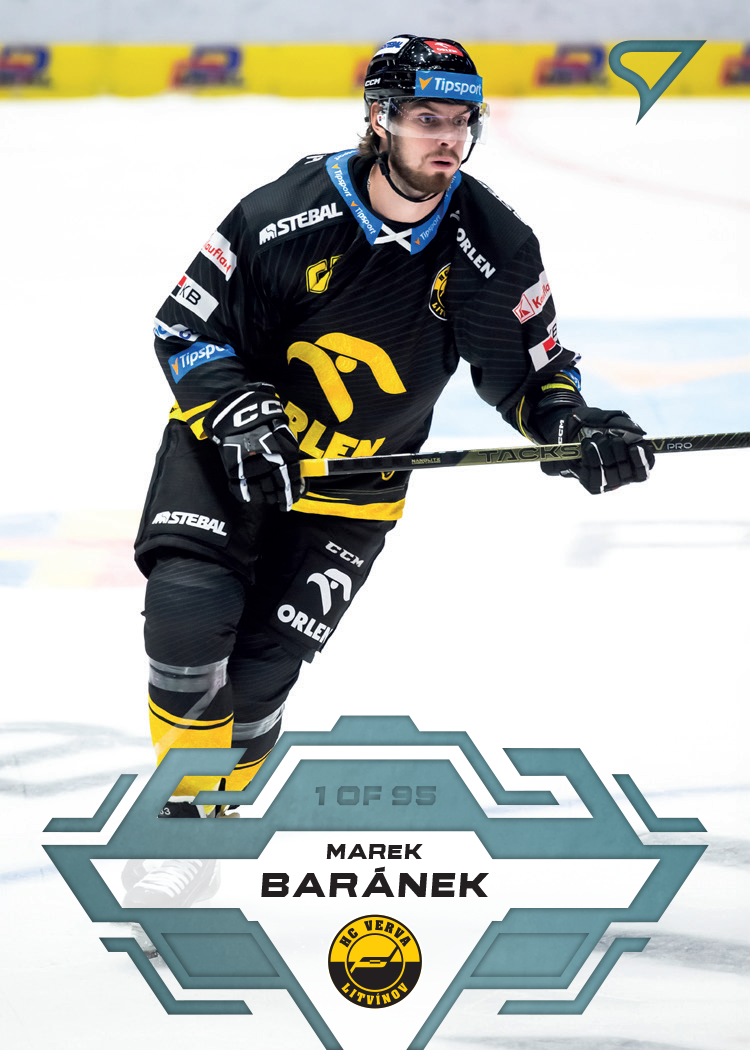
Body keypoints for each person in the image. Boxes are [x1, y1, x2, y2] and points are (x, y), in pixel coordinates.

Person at [123, 34, 653, 907]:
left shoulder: (494, 246)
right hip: (232, 454)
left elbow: (529, 379)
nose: (448, 138)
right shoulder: (280, 214)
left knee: (258, 675)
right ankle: (180, 823)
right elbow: (186, 329)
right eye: (425, 118)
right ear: (379, 119)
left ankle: (207, 814)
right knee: (187, 615)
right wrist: (239, 412)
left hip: (355, 487)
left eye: (461, 121)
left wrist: (574, 427)